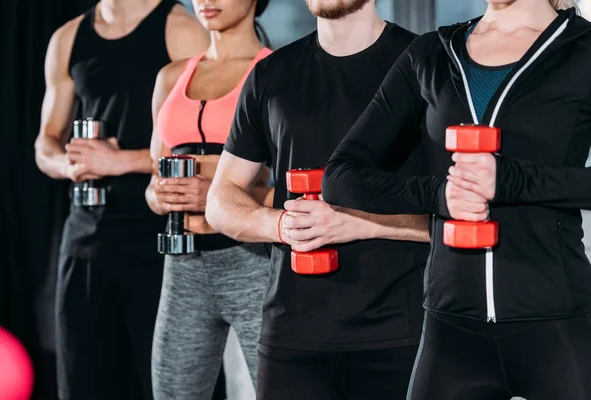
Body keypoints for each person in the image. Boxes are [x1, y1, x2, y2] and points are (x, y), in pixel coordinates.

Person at [322, 0, 591, 399]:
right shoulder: (430, 54)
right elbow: (340, 176)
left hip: (558, 322)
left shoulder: (582, 50)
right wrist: (438, 194)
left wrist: (512, 181)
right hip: (451, 330)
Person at [205, 0, 432, 398]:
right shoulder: (271, 74)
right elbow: (220, 200)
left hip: (399, 334)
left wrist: (357, 223)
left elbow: (461, 212)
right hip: (291, 337)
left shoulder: (425, 65)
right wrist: (279, 224)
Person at [34, 1, 210, 399]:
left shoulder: (181, 29)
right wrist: (70, 166)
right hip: (85, 244)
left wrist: (119, 161)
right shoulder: (67, 38)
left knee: (174, 389)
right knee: (83, 387)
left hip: (163, 244)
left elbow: (212, 150)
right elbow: (45, 142)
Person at [145, 0, 273, 398]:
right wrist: (160, 197)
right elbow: (153, 180)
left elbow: (293, 190)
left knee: (279, 390)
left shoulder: (278, 71)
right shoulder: (171, 76)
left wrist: (219, 197)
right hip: (182, 267)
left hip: (254, 264)